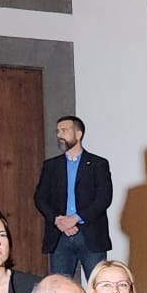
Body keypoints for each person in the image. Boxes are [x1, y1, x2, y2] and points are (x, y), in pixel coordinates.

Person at [33, 115, 114, 282]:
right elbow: (40, 198)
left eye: (64, 130)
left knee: (97, 286)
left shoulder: (98, 164)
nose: (59, 135)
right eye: (57, 131)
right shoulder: (51, 166)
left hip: (90, 235)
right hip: (59, 236)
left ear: (78, 134)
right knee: (60, 289)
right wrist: (58, 220)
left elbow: (104, 198)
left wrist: (75, 218)